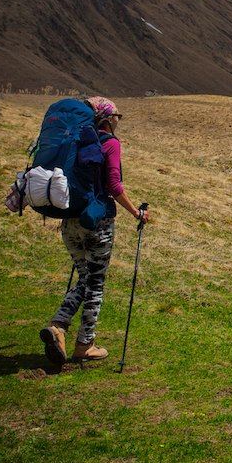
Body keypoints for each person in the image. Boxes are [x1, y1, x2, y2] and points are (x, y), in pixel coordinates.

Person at [39, 97, 150, 363]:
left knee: (84, 278)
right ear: (105, 119)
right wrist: (136, 212)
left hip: (70, 220)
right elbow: (113, 184)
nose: (117, 121)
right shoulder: (110, 144)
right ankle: (84, 344)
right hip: (97, 222)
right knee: (95, 282)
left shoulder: (75, 140)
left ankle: (59, 327)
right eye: (115, 117)